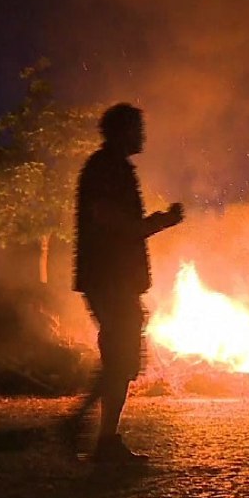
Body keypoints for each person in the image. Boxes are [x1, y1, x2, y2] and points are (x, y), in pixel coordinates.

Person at [74, 103, 183, 463]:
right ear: (120, 131)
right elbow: (108, 219)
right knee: (120, 358)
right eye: (137, 128)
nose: (142, 135)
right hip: (108, 278)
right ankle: (97, 437)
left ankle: (93, 431)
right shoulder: (105, 168)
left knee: (119, 358)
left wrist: (154, 224)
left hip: (114, 279)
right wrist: (158, 223)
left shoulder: (113, 167)